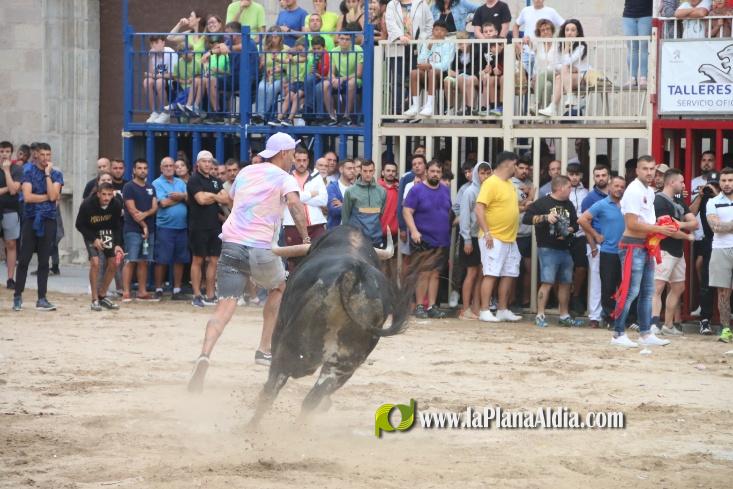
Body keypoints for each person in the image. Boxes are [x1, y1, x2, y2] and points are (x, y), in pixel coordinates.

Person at [187, 133, 309, 391]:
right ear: (284, 153)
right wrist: (306, 238)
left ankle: (204, 354)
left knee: (224, 306)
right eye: (292, 153)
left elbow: (233, 200)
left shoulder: (246, 172)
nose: (294, 157)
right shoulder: (285, 178)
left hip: (232, 243)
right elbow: (295, 206)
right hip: (261, 247)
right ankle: (264, 349)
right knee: (279, 288)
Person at [610, 156, 676, 348]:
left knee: (647, 292)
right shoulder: (633, 190)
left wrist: (660, 227)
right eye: (645, 169)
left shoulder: (648, 190)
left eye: (652, 169)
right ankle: (618, 334)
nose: (649, 172)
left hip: (645, 245)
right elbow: (631, 224)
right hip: (632, 245)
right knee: (630, 291)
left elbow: (645, 220)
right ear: (637, 171)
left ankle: (645, 333)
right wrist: (659, 229)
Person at [523, 176, 583, 327]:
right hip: (547, 248)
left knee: (566, 283)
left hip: (565, 248)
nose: (570, 190)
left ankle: (564, 315)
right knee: (547, 282)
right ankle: (540, 315)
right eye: (568, 187)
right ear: (560, 188)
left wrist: (570, 229)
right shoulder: (542, 202)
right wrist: (545, 217)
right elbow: (526, 219)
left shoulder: (569, 204)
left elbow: (576, 223)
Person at [13, 143, 63, 312]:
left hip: (49, 219)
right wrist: (46, 197)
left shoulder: (56, 174)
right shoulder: (28, 172)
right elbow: (27, 197)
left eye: (48, 155)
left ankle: (42, 298)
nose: (45, 158)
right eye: (42, 154)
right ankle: (17, 296)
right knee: (24, 259)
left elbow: (54, 196)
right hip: (31, 218)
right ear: (36, 155)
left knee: (44, 261)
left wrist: (47, 174)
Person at [475, 151, 522, 323]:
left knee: (509, 273)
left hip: (509, 238)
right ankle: (484, 310)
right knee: (491, 273)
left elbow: (508, 208)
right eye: (516, 165)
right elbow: (479, 208)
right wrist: (487, 232)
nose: (517, 168)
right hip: (493, 237)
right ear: (509, 164)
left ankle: (502, 309)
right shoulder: (491, 183)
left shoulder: (509, 184)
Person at [651, 169, 697, 336]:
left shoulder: (678, 201)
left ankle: (668, 325)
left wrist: (679, 224)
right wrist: (687, 235)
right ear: (671, 182)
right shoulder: (658, 201)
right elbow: (668, 230)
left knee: (678, 287)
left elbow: (695, 223)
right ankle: (653, 324)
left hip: (677, 251)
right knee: (658, 287)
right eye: (681, 181)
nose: (684, 185)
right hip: (663, 250)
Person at [403, 160, 452, 319]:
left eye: (438, 172)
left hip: (442, 240)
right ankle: (419, 306)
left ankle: (432, 306)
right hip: (422, 239)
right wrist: (414, 231)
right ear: (426, 172)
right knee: (423, 273)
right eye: (432, 171)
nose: (435, 174)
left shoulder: (445, 190)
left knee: (435, 273)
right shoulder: (417, 190)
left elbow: (448, 211)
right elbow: (407, 211)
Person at [578, 175, 627, 326]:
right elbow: (582, 220)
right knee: (608, 287)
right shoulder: (602, 204)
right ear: (610, 187)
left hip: (626, 252)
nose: (619, 189)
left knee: (626, 286)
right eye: (616, 186)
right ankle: (609, 319)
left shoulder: (628, 204)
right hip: (609, 252)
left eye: (622, 187)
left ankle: (625, 318)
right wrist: (596, 235)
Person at [187, 150, 230, 307]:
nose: (207, 164)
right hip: (198, 226)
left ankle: (210, 295)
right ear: (198, 163)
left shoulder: (215, 180)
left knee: (214, 260)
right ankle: (197, 295)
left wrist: (210, 195)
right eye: (204, 161)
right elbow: (201, 200)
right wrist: (214, 196)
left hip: (214, 226)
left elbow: (226, 198)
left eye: (209, 161)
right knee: (198, 259)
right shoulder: (193, 180)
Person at [75, 182, 124, 311]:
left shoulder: (116, 204)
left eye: (109, 194)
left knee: (113, 263)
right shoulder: (87, 204)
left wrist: (117, 244)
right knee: (95, 262)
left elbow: (117, 226)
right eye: (104, 194)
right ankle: (94, 299)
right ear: (98, 194)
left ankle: (102, 295)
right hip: (91, 232)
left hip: (107, 232)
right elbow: (79, 224)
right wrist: (94, 239)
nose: (107, 198)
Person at [282, 147, 328, 269]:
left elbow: (323, 199)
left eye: (304, 160)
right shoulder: (286, 177)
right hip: (292, 225)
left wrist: (298, 197)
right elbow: (286, 198)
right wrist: (311, 194)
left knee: (319, 259)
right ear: (294, 160)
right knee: (294, 262)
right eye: (298, 160)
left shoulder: (316, 175)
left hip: (316, 225)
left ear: (308, 161)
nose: (301, 163)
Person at [152, 157, 190, 301]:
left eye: (171, 166)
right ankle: (159, 289)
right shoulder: (157, 183)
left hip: (182, 226)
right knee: (162, 259)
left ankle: (177, 290)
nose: (169, 168)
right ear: (161, 168)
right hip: (165, 227)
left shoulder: (180, 182)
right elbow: (163, 203)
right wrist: (181, 197)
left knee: (180, 259)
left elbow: (189, 199)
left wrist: (181, 196)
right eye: (166, 166)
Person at [121, 159, 158, 302]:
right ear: (134, 170)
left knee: (144, 261)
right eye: (139, 168)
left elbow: (155, 207)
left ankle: (142, 292)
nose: (142, 171)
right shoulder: (129, 187)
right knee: (131, 260)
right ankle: (126, 292)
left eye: (145, 168)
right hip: (133, 230)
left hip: (149, 230)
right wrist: (144, 226)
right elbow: (132, 210)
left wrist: (146, 215)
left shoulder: (151, 187)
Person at [458, 161, 492, 320]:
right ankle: (465, 308)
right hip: (470, 237)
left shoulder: (489, 190)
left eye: (488, 173)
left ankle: (476, 307)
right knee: (471, 273)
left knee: (480, 273)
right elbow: (464, 216)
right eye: (482, 173)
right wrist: (466, 240)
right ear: (476, 174)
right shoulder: (470, 192)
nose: (485, 176)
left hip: (482, 236)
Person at [704, 167, 733, 343]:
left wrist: (726, 225)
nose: (727, 184)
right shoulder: (712, 201)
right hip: (720, 248)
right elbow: (715, 227)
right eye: (724, 180)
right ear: (719, 182)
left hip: (722, 246)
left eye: (730, 180)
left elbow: (722, 226)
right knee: (723, 292)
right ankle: (726, 329)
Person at [580, 164, 611, 327]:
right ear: (593, 178)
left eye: (603, 175)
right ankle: (594, 317)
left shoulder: (617, 195)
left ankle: (610, 315)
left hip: (614, 244)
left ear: (609, 177)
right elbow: (585, 224)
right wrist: (592, 245)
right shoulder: (590, 198)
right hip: (596, 245)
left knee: (612, 281)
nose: (601, 178)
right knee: (596, 281)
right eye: (597, 176)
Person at [538, 19, 589, 117]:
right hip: (566, 76)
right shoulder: (559, 45)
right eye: (567, 30)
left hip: (581, 76)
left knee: (562, 71)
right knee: (558, 78)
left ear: (578, 33)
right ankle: (556, 106)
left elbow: (567, 62)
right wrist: (569, 69)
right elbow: (555, 65)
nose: (569, 33)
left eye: (573, 30)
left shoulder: (581, 46)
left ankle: (554, 107)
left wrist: (566, 48)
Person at [404, 20, 455, 118]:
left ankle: (429, 105)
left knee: (432, 71)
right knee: (414, 73)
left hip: (442, 74)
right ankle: (415, 106)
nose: (439, 32)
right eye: (436, 30)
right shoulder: (428, 42)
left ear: (446, 32)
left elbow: (445, 65)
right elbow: (420, 61)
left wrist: (430, 66)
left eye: (442, 30)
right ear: (432, 31)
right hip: (427, 73)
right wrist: (428, 48)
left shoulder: (449, 43)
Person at [694, 172, 720, 335]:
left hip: (727, 244)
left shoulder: (725, 199)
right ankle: (705, 319)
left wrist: (717, 194)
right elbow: (689, 213)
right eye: (711, 184)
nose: (712, 188)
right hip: (709, 243)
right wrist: (700, 195)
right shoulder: (704, 198)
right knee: (706, 284)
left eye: (716, 185)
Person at [322, 31, 364, 125]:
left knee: (351, 83)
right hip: (339, 79)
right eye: (342, 39)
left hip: (354, 78)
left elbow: (359, 73)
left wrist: (342, 79)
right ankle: (332, 117)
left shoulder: (358, 49)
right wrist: (333, 79)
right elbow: (330, 72)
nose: (344, 41)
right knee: (325, 85)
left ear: (351, 41)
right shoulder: (334, 51)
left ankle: (346, 116)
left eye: (347, 39)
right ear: (338, 39)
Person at [342, 159, 387, 246]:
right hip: (356, 241)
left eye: (370, 171)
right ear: (360, 171)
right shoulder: (350, 191)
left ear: (374, 171)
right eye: (365, 171)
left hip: (376, 239)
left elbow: (380, 215)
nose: (368, 174)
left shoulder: (382, 191)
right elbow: (345, 217)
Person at [397, 154, 427, 275]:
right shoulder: (409, 185)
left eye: (419, 163)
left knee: (425, 260)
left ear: (425, 165)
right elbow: (403, 208)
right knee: (409, 258)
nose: (417, 166)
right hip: (411, 228)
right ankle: (405, 285)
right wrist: (403, 228)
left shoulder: (432, 183)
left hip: (427, 227)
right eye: (414, 164)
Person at [511, 156, 534, 308]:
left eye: (527, 168)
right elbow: (513, 206)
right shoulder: (509, 184)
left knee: (529, 269)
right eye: (521, 168)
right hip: (514, 233)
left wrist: (530, 193)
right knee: (512, 269)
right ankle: (510, 300)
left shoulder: (531, 184)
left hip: (528, 233)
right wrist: (530, 196)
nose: (524, 171)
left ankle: (526, 300)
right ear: (515, 168)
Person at [0, 141, 23, 290]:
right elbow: (12, 187)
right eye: (2, 151)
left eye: (7, 151)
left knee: (11, 244)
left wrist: (7, 171)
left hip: (11, 210)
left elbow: (14, 190)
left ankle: (10, 278)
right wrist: (8, 188)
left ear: (11, 153)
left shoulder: (17, 169)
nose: (4, 154)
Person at [566, 163, 588, 314]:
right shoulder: (562, 190)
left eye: (576, 174)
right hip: (564, 235)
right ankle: (564, 299)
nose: (574, 177)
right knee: (565, 268)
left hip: (581, 234)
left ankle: (576, 295)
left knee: (581, 267)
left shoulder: (586, 192)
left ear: (581, 176)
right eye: (571, 174)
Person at [143, 35, 178, 124]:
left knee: (159, 82)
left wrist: (154, 75)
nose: (154, 45)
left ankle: (164, 112)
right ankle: (154, 112)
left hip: (171, 82)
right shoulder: (152, 53)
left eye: (156, 42)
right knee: (146, 82)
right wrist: (151, 57)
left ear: (163, 43)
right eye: (152, 43)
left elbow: (173, 75)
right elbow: (150, 73)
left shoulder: (170, 52)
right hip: (158, 78)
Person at [622, 0, 652, 88]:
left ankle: (643, 77)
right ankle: (632, 77)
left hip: (646, 14)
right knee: (631, 47)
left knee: (644, 46)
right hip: (628, 14)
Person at [378, 160, 399, 279]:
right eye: (388, 170)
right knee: (381, 266)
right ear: (383, 172)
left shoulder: (399, 189)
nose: (391, 173)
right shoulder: (376, 188)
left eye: (393, 171)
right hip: (379, 233)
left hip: (395, 234)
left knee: (393, 266)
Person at [326, 158, 357, 228]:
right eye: (349, 168)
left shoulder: (356, 189)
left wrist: (342, 205)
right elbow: (334, 210)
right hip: (335, 230)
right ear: (341, 169)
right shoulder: (332, 187)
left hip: (352, 230)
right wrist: (353, 207)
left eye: (354, 168)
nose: (352, 171)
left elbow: (361, 211)